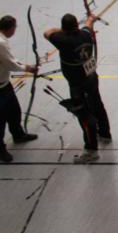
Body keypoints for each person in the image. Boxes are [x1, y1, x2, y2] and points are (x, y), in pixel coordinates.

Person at [45, 13, 111, 164]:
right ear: (76, 25)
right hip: (92, 78)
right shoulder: (86, 34)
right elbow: (88, 24)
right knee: (97, 104)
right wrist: (91, 18)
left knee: (84, 116)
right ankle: (105, 134)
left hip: (77, 84)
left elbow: (47, 32)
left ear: (64, 28)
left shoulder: (62, 40)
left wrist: (61, 30)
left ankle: (91, 151)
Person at [0, 15, 39, 163]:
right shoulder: (1, 43)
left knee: (14, 111)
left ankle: (18, 135)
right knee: (0, 120)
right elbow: (10, 64)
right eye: (15, 27)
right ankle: (0, 150)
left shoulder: (2, 40)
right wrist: (28, 68)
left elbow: (9, 60)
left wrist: (25, 66)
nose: (15, 30)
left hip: (5, 84)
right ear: (10, 28)